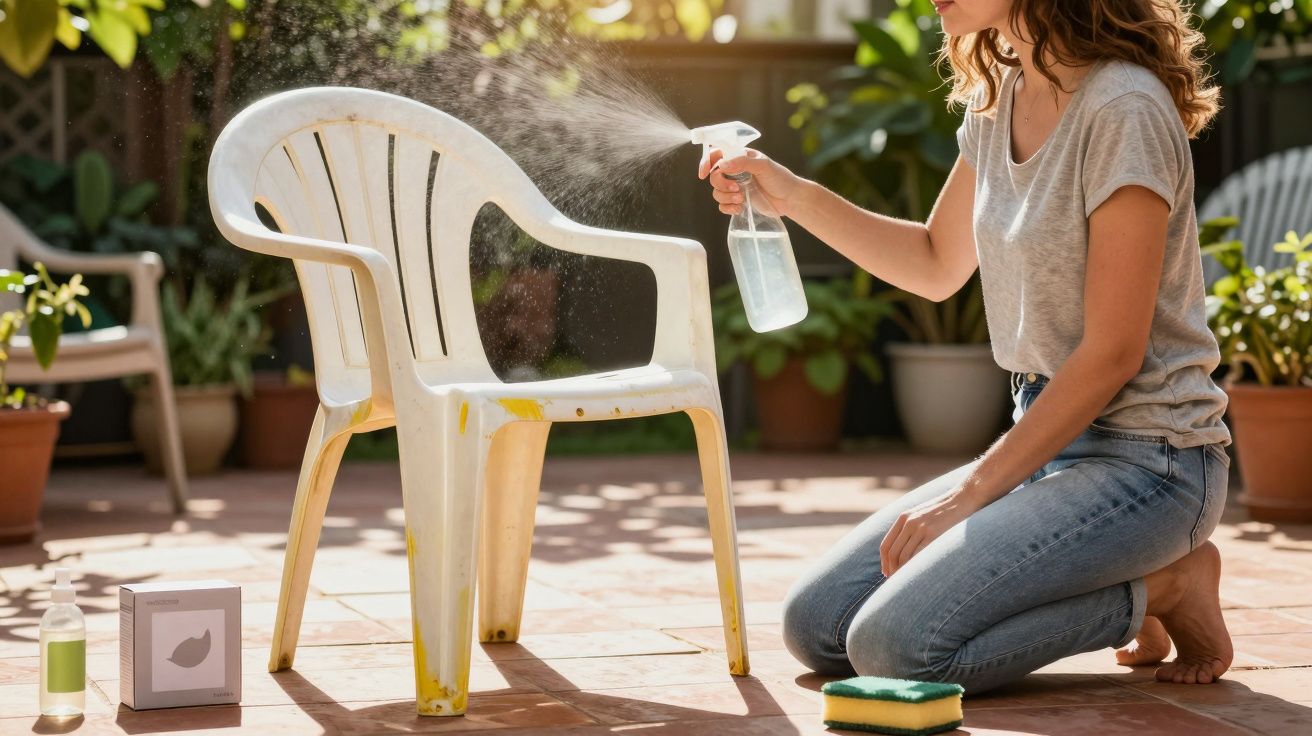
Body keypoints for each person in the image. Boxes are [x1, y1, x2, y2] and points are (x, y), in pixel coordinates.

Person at [699, 0, 1233, 694]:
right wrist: (791, 196)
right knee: (819, 625)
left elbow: (1113, 353)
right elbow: (932, 262)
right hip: (1046, 444)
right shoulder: (1001, 96)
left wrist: (970, 496)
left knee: (896, 649)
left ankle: (1167, 586)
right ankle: (1114, 571)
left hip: (1153, 463)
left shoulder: (1123, 109)